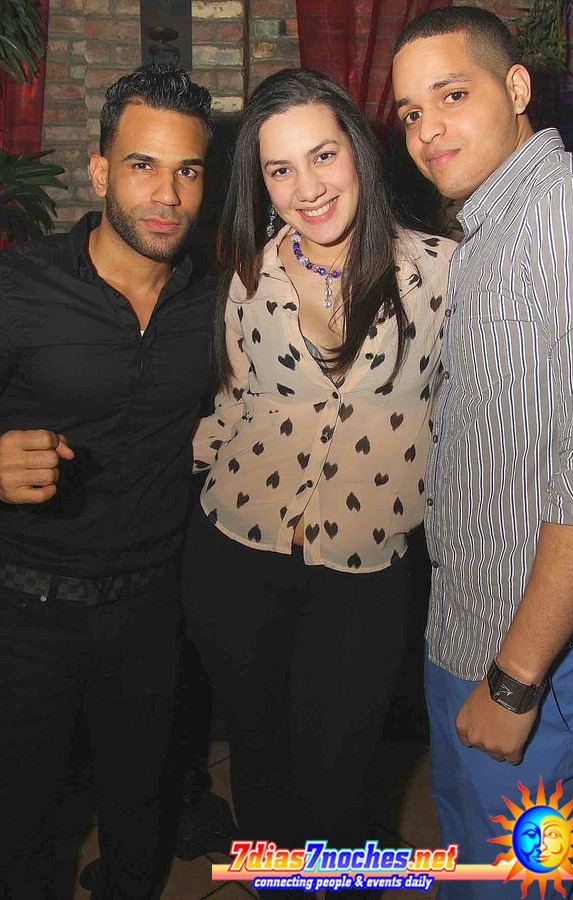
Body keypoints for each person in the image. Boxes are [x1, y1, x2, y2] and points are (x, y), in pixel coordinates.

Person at [183, 65, 455, 876]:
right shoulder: (246, 274)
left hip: (364, 573)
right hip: (235, 555)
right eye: (280, 169)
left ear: (359, 152)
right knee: (260, 768)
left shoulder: (444, 273)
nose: (307, 188)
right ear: (262, 183)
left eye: (323, 155)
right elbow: (230, 404)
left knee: (340, 784)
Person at [391, 7, 573, 899]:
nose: (427, 130)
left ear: (517, 88)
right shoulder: (489, 229)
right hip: (470, 631)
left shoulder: (572, 206)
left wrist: (514, 682)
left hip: (538, 659)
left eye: (451, 95)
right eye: (410, 111)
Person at [0, 63, 215, 899]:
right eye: (142, 165)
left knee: (137, 816)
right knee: (22, 828)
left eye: (187, 170)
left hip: (151, 611)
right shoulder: (21, 286)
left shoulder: (218, 300)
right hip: (24, 613)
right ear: (99, 172)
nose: (167, 194)